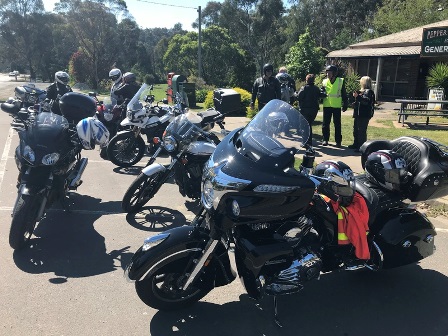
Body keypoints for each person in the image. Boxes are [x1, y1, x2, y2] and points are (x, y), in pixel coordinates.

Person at [321, 65, 348, 147]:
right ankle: (325, 139)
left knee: (337, 124)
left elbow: (343, 93)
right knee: (325, 124)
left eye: (329, 72)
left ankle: (338, 141)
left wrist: (345, 104)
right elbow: (321, 91)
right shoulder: (324, 81)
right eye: (327, 72)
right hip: (327, 105)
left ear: (334, 73)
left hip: (336, 106)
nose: (327, 74)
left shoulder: (340, 81)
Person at [297, 74, 326, 147]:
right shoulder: (316, 88)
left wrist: (295, 94)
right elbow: (322, 95)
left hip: (305, 109)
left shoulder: (304, 88)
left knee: (305, 126)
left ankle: (306, 142)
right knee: (309, 124)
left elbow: (299, 96)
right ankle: (308, 141)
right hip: (314, 110)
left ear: (306, 80)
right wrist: (323, 90)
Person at [349, 76, 376, 152]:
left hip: (364, 114)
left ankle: (362, 147)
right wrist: (355, 103)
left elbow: (366, 101)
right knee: (356, 130)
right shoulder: (362, 91)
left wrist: (357, 97)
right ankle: (356, 144)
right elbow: (360, 102)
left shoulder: (368, 92)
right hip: (358, 114)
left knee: (361, 131)